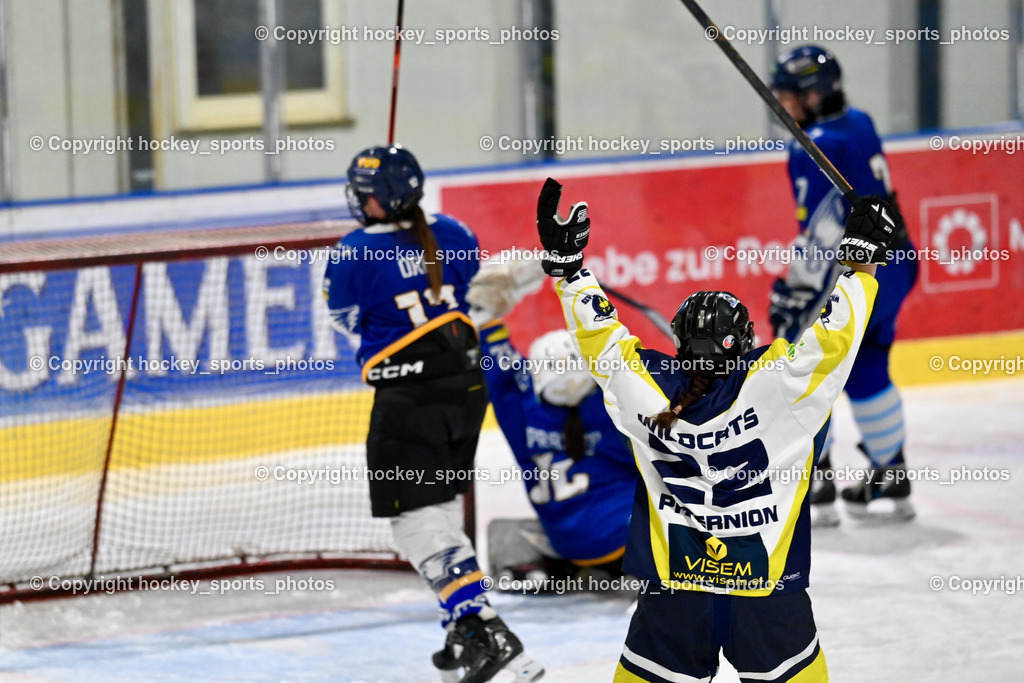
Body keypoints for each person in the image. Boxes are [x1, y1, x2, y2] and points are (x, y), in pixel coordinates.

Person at [533, 176, 900, 682]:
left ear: (680, 346)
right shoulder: (781, 385)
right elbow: (835, 336)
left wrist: (568, 269)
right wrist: (862, 260)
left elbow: (600, 338)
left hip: (674, 601)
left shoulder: (643, 388)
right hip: (769, 601)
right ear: (744, 341)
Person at [323, 145, 543, 683]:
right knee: (441, 513)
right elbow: (471, 292)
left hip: (410, 399)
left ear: (386, 198)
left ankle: (486, 630)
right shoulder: (455, 232)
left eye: (366, 192)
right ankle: (465, 633)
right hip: (466, 389)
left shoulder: (352, 252)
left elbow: (347, 318)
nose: (358, 199)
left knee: (416, 524)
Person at [770, 45, 919, 525]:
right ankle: (891, 477)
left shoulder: (815, 145)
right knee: (868, 364)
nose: (780, 103)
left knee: (806, 370)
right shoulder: (860, 122)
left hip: (854, 272)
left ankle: (817, 489)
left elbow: (822, 230)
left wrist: (796, 293)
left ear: (814, 95)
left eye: (789, 94)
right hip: (896, 262)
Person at [471, 288, 638, 586]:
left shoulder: (520, 412)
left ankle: (561, 570)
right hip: (628, 539)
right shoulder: (608, 409)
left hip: (567, 544)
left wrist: (489, 322)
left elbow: (501, 371)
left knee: (505, 530)